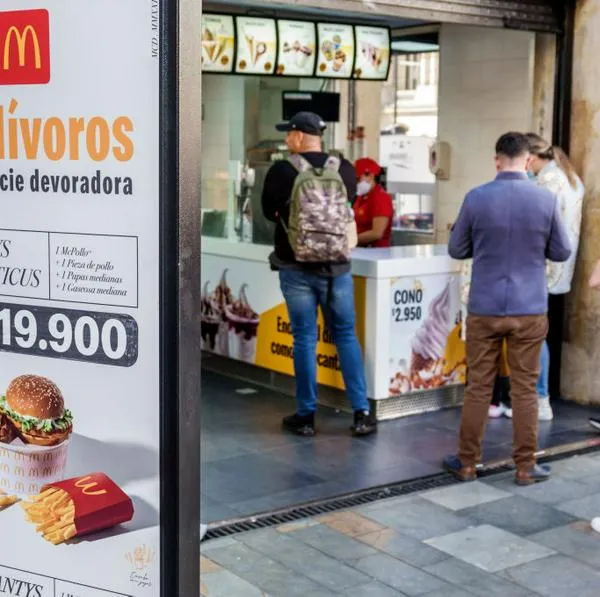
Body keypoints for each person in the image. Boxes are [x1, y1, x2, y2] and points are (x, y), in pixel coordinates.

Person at [443, 132, 571, 486]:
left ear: (497, 160)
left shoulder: (476, 198)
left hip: (485, 307)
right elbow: (561, 252)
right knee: (525, 389)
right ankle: (525, 466)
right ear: (528, 161)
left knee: (479, 388)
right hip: (529, 308)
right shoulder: (545, 200)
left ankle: (467, 462)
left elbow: (457, 249)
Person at [261, 111, 377, 438]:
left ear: (299, 136)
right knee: (345, 335)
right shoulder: (345, 169)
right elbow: (348, 208)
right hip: (336, 269)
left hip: (295, 267)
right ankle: (361, 412)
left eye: (289, 135)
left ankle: (306, 415)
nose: (287, 141)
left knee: (304, 338)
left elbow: (268, 213)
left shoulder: (283, 170)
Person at [526, 133, 585, 421]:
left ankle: (539, 397)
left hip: (542, 268)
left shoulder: (546, 183)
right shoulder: (570, 178)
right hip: (561, 269)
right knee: (540, 333)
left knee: (536, 336)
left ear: (533, 157)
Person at [353, 157, 394, 248]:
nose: (355, 183)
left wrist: (351, 241)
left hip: (375, 252)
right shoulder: (361, 197)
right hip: (360, 249)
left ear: (370, 176)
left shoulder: (381, 198)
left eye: (357, 179)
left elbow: (376, 233)